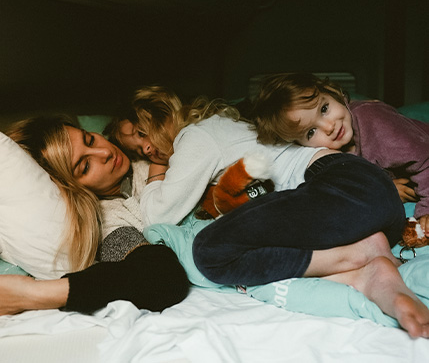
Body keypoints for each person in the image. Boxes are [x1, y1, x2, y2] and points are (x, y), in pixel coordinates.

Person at [1, 90, 427, 338]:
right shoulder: (115, 214)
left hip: (329, 196)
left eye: (90, 138)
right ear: (72, 187)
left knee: (215, 253)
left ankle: (359, 259)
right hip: (320, 216)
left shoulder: (177, 151)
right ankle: (369, 273)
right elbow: (153, 277)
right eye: (84, 164)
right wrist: (40, 293)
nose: (104, 151)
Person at [251, 72, 429, 234]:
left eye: (324, 109)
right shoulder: (325, 157)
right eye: (311, 132)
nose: (329, 127)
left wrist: (426, 211)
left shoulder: (374, 122)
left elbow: (425, 158)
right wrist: (386, 189)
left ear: (333, 93)